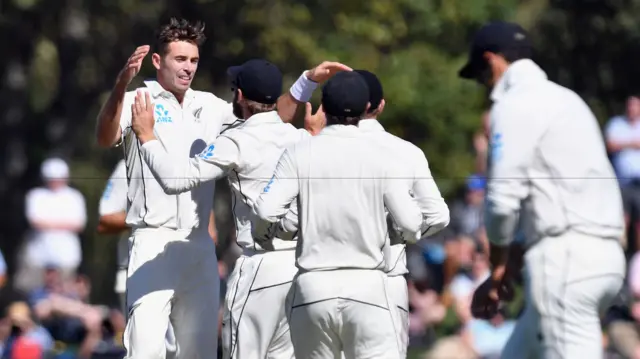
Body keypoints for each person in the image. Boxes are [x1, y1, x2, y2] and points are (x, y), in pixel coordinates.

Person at [130, 58, 350, 359]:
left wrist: (147, 136)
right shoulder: (301, 138)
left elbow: (175, 180)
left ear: (241, 96)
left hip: (260, 267)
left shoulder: (236, 140)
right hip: (300, 268)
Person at [459, 21, 626, 359]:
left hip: (566, 261)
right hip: (604, 258)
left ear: (492, 61)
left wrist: (497, 267)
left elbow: (503, 200)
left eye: (481, 75)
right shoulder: (569, 100)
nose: (485, 85)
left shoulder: (515, 103)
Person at [253, 71, 425, 359]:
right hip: (368, 286)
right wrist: (405, 235)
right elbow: (410, 223)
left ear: (324, 109)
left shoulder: (299, 152)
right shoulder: (384, 154)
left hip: (313, 287)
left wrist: (271, 236)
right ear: (367, 109)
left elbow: (265, 210)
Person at [324, 68, 449, 357]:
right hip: (383, 280)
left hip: (323, 279)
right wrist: (400, 233)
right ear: (380, 106)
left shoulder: (314, 148)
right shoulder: (404, 151)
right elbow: (438, 216)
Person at [17, 157, 87, 292]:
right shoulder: (36, 195)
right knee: (29, 290)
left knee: (65, 292)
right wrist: (63, 224)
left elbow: (79, 224)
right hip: (37, 256)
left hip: (66, 256)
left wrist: (49, 224)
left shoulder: (74, 197)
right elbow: (35, 221)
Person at [605, 95, 640, 255]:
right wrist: (633, 143)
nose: (632, 109)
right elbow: (611, 145)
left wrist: (624, 143)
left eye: (635, 106)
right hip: (622, 182)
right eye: (630, 105)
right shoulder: (616, 124)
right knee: (621, 220)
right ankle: (620, 255)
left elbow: (618, 144)